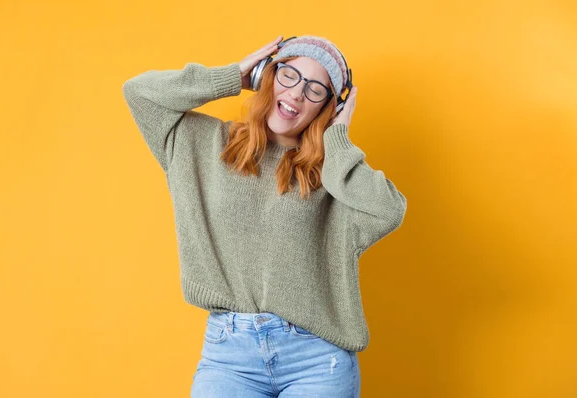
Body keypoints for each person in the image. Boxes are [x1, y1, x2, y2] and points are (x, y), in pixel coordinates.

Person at [122, 35, 407, 397]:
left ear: (328, 107)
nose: (297, 94)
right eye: (289, 75)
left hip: (316, 360)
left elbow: (389, 209)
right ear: (267, 77)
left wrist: (338, 137)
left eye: (316, 89)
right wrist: (232, 77)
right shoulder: (205, 144)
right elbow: (139, 92)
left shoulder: (333, 176)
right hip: (229, 356)